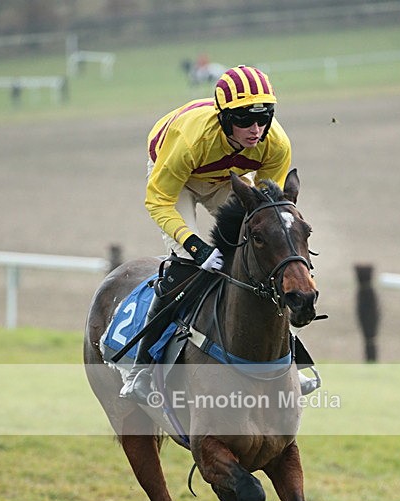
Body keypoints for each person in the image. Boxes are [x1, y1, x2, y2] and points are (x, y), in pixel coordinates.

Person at [120, 64, 292, 400]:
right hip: (175, 179)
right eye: (244, 120)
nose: (255, 129)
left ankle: (292, 355)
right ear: (226, 119)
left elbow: (270, 211)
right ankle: (141, 371)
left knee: (260, 257)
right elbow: (159, 202)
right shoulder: (190, 140)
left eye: (264, 118)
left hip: (227, 179)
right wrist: (197, 249)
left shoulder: (276, 144)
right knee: (187, 263)